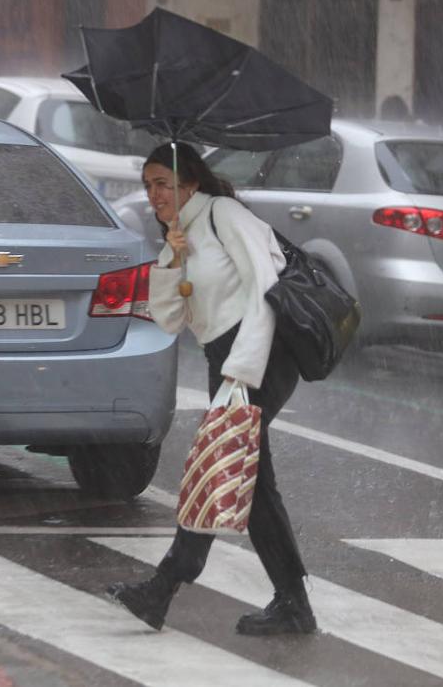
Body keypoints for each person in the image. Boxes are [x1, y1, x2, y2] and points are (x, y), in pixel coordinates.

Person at [106, 141, 315, 636]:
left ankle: (165, 586)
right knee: (249, 480)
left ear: (190, 183)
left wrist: (241, 371)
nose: (153, 194)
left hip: (259, 355)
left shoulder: (225, 216)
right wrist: (170, 262)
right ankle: (293, 605)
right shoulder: (180, 235)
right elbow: (170, 318)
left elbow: (268, 290)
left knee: (217, 464)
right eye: (148, 185)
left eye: (162, 183)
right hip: (226, 359)